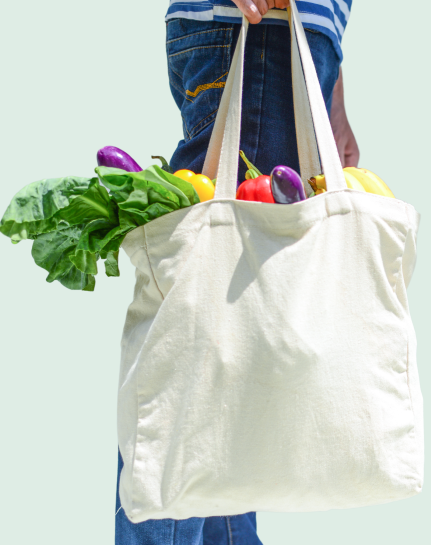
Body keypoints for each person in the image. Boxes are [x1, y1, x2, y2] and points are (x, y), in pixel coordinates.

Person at [115, 1, 356, 543]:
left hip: (293, 36)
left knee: (229, 336)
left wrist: (333, 88)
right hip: (253, 27)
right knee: (198, 347)